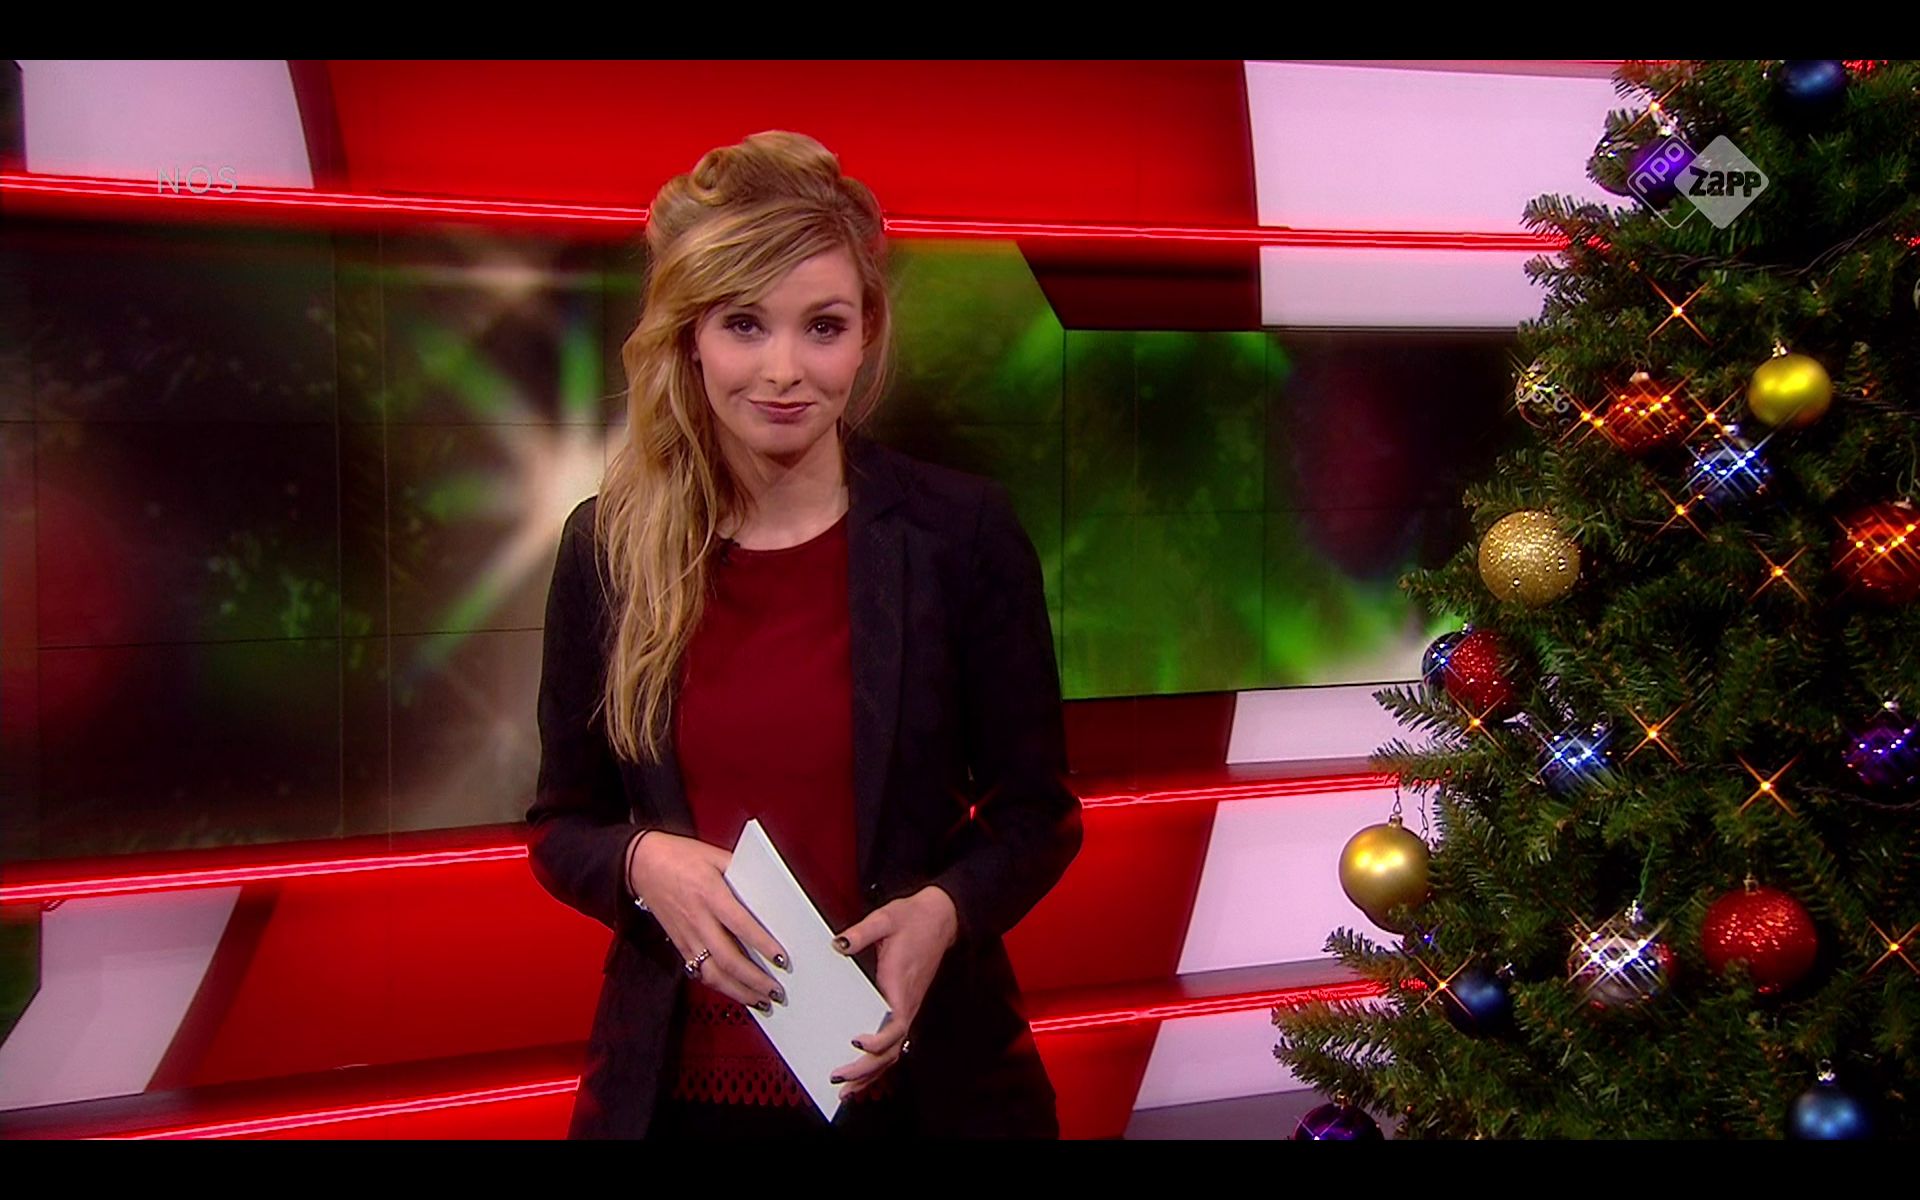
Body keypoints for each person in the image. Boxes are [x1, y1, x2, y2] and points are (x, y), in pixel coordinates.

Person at [525, 130, 1083, 1139]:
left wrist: (944, 909)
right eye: (744, 324)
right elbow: (563, 825)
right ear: (691, 335)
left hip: (923, 1087)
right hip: (677, 1099)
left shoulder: (959, 536)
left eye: (822, 326)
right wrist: (642, 863)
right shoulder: (606, 548)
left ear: (866, 332)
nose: (783, 371)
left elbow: (1038, 814)